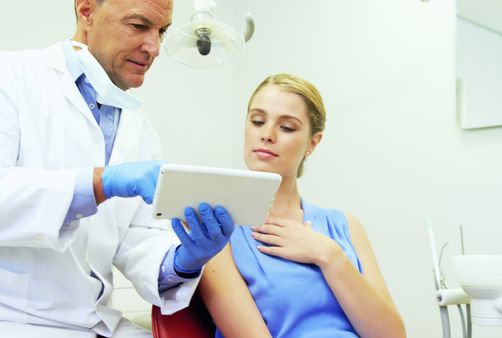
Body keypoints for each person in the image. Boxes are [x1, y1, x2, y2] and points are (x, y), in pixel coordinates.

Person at [0, 1, 234, 337]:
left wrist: (186, 258)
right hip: (16, 321)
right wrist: (101, 184)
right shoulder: (11, 77)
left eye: (161, 31)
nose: (154, 48)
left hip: (100, 323)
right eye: (139, 26)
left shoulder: (140, 129)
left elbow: (139, 241)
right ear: (86, 11)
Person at [199, 73, 406, 338]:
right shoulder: (215, 231)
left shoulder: (345, 226)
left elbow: (392, 335)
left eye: (286, 127)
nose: (267, 135)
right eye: (257, 121)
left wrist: (329, 256)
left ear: (313, 142)